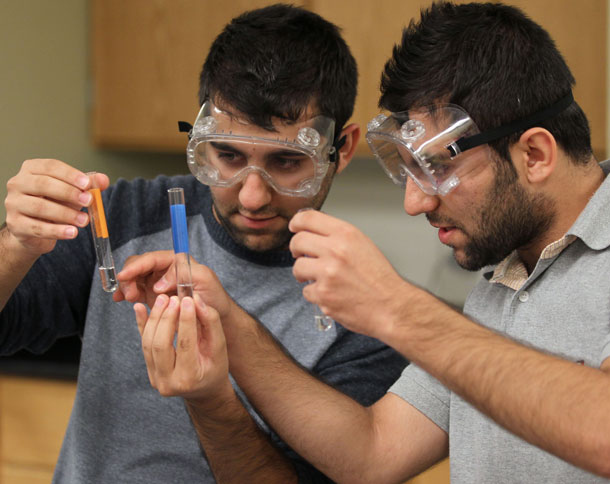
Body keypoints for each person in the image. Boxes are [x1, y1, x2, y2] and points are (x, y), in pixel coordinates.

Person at [128, 2, 610, 483]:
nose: (415, 203)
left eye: (436, 167)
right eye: (409, 172)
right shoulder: (502, 280)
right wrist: (231, 325)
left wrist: (394, 307)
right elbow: (372, 453)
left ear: (534, 155)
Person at [0, 4, 408, 483]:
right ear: (201, 140)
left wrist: (211, 403)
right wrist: (17, 245)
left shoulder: (365, 313)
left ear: (342, 150)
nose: (253, 196)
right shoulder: (126, 217)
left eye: (286, 162)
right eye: (228, 155)